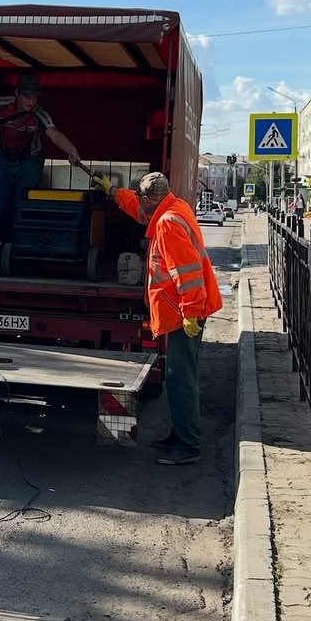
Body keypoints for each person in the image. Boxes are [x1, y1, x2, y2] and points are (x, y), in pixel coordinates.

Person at [91, 170, 223, 465]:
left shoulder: (167, 224)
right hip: (183, 311)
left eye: (141, 197)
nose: (139, 203)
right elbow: (137, 209)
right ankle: (180, 435)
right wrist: (113, 190)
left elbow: (187, 274)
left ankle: (188, 445)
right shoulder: (174, 207)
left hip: (184, 314)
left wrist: (190, 313)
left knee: (181, 379)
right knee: (179, 377)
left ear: (151, 199)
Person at [0, 71, 82, 241]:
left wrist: (71, 150)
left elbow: (55, 134)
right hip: (3, 160)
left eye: (35, 97)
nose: (31, 101)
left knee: (23, 201)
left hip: (30, 161)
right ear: (17, 93)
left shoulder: (40, 114)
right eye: (27, 97)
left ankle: (22, 242)